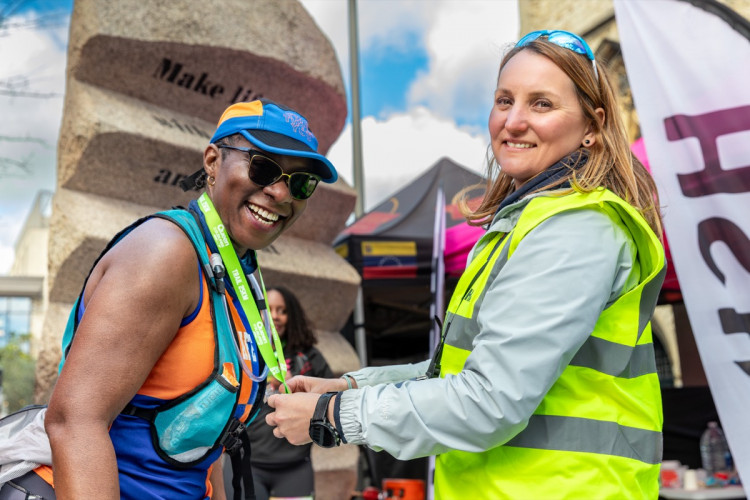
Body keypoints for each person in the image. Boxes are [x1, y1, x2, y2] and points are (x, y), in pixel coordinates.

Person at [266, 30, 666, 499]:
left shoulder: (574, 227)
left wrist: (333, 416)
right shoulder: (529, 222)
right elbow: (460, 374)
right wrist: (345, 386)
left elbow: (488, 401)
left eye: (541, 104)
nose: (513, 121)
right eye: (504, 100)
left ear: (593, 125)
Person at [0, 98, 337, 500]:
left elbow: (205, 436)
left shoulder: (235, 272)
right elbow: (75, 421)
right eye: (262, 167)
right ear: (212, 161)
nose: (281, 192)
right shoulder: (165, 253)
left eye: (301, 183)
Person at [232, 287, 332, 500]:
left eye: (282, 311)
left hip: (295, 466)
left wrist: (296, 392)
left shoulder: (309, 357)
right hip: (245, 462)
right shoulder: (242, 351)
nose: (275, 316)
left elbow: (332, 398)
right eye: (268, 310)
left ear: (292, 316)